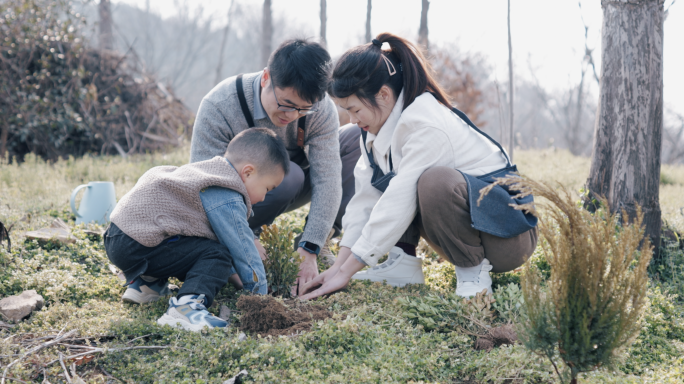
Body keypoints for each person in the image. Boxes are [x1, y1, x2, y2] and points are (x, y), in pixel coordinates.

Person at [301, 33, 538, 301]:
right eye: (347, 111)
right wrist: (338, 267)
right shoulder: (375, 128)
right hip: (473, 226)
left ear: (384, 94)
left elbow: (399, 201)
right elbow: (365, 200)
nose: (352, 120)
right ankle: (403, 263)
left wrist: (348, 271)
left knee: (433, 182)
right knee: (395, 183)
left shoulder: (425, 123)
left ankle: (473, 273)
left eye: (355, 110)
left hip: (508, 236)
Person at [190, 39, 361, 294]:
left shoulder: (319, 109)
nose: (291, 116)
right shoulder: (220, 105)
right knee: (287, 174)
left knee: (356, 138)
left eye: (303, 109)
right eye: (286, 104)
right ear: (266, 78)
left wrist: (310, 247)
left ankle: (320, 238)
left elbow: (328, 178)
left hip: (295, 185)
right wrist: (246, 238)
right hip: (232, 202)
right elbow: (205, 186)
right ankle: (244, 234)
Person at [105, 128, 289, 331]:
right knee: (219, 254)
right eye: (267, 188)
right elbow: (242, 249)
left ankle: (147, 284)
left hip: (118, 237)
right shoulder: (226, 193)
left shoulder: (205, 173)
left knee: (191, 242)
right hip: (139, 244)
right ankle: (185, 309)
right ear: (247, 172)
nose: (264, 198)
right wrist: (259, 297)